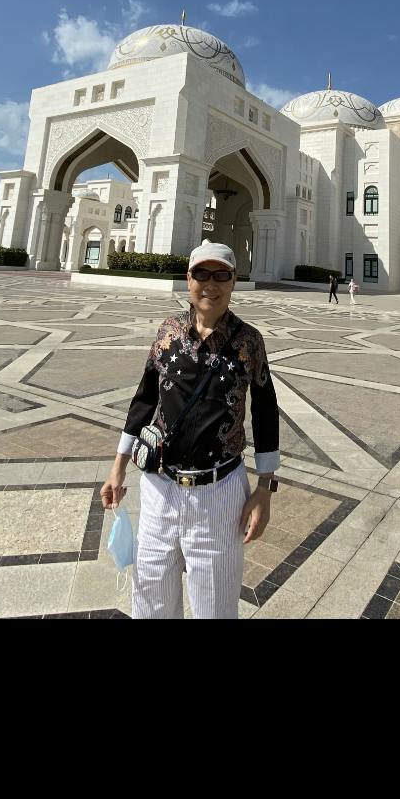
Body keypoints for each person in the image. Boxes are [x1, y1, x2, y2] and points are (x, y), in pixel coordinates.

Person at [100, 241, 279, 620]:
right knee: (151, 601)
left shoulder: (249, 341)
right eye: (201, 274)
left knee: (215, 608)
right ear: (188, 279)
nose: (210, 284)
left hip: (220, 493)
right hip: (160, 489)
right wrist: (118, 466)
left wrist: (265, 488)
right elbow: (144, 399)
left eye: (221, 275)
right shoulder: (168, 331)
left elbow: (265, 413)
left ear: (233, 281)